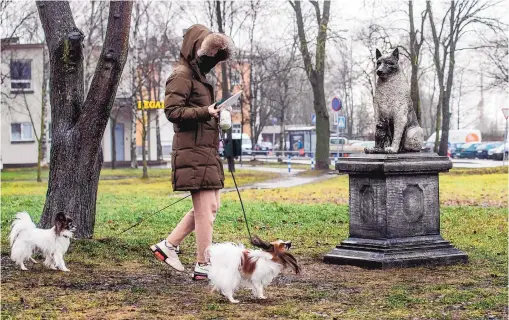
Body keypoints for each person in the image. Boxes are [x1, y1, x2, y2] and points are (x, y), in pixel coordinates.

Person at [150, 24, 234, 280]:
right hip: (193, 152)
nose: (212, 63)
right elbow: (172, 112)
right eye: (209, 56)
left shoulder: (198, 78)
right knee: (206, 209)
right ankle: (203, 264)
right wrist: (205, 112)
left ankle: (168, 246)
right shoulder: (181, 75)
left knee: (210, 207)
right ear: (196, 48)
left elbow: (195, 111)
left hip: (204, 151)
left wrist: (216, 116)